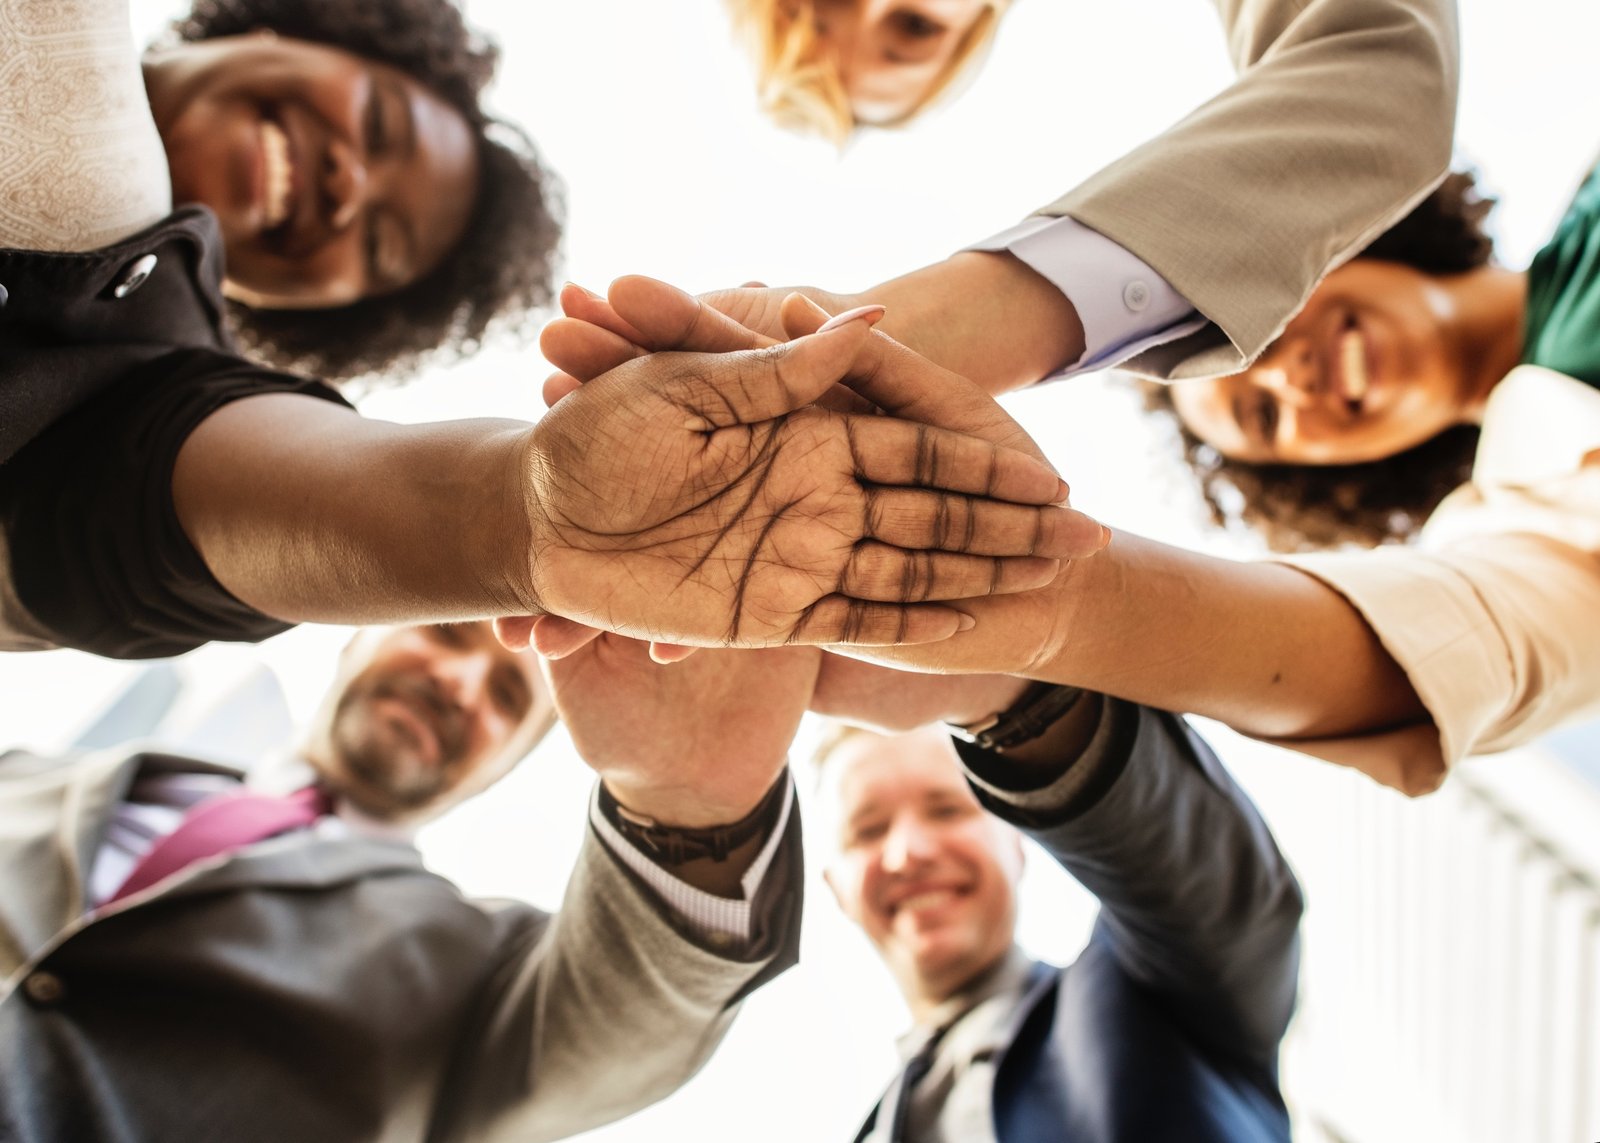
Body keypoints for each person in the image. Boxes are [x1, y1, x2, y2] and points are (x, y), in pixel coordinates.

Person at [0, 0, 1105, 661]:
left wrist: (510, 520)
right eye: (375, 122)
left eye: (376, 247)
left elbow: (150, 492)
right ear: (282, 22)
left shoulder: (121, 373)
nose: (346, 183)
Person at [0, 619, 814, 1142]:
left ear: (501, 769)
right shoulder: (30, 773)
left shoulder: (479, 969)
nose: (459, 685)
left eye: (505, 695)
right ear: (355, 637)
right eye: (447, 631)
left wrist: (685, 800)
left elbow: (629, 1014)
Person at [811, 685, 1303, 1141]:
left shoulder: (1153, 992)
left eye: (947, 810)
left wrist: (1014, 700)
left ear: (1016, 841)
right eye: (868, 830)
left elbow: (1216, 894)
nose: (908, 852)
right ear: (835, 888)